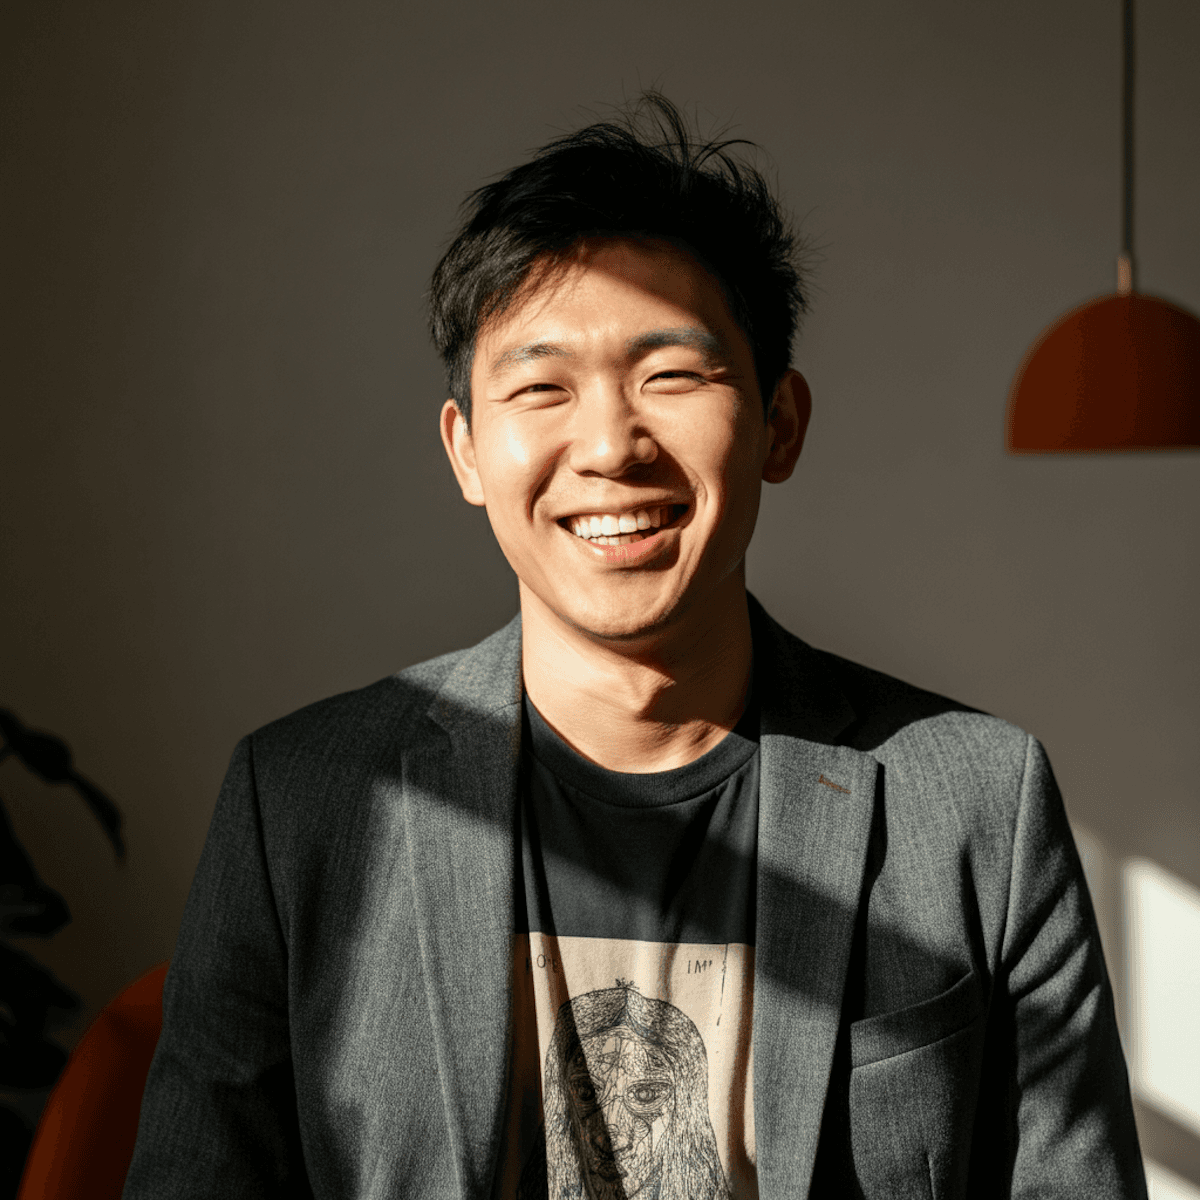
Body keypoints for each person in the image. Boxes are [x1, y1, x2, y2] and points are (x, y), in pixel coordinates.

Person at [124, 95, 1147, 1199]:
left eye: (671, 374)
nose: (610, 445)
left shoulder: (977, 805)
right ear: (466, 449)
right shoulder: (305, 804)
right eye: (541, 387)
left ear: (779, 424)